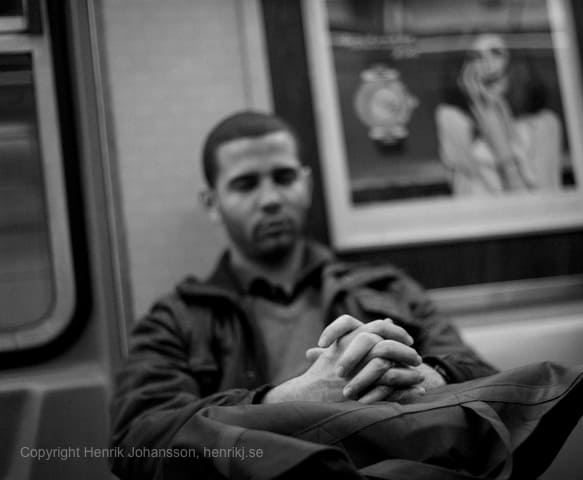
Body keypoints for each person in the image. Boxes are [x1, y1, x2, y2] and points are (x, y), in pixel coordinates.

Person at [109, 111, 499, 478]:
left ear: (306, 184)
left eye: (284, 177)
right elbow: (137, 442)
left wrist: (422, 376)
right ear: (212, 204)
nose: (271, 199)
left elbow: (490, 384)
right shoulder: (177, 320)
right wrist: (284, 402)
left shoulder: (387, 288)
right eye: (246, 184)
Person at [436, 33, 564, 195]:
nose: (486, 63)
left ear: (516, 66)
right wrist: (483, 109)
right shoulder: (453, 121)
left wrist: (502, 147)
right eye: (476, 56)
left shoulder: (544, 124)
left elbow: (544, 208)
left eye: (496, 53)